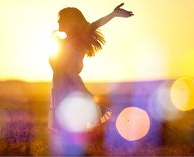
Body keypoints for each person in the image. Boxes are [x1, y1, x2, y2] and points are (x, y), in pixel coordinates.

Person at [48, 3, 133, 132]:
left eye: (61, 19)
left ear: (70, 22)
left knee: (70, 124)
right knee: (66, 126)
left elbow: (94, 26)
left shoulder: (77, 39)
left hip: (70, 86)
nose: (58, 21)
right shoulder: (63, 42)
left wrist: (113, 14)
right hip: (60, 87)